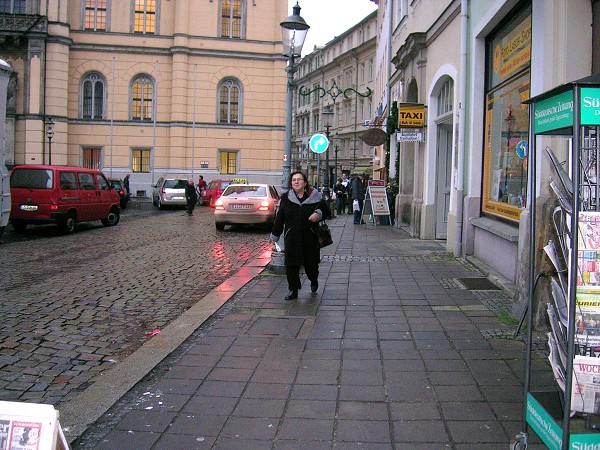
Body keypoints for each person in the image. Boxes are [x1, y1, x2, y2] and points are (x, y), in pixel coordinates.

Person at [270, 171, 330, 301]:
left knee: (311, 265)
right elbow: (280, 219)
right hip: (292, 237)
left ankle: (313, 279)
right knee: (291, 265)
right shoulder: (286, 198)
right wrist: (275, 236)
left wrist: (317, 214)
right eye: (293, 180)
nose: (296, 182)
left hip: (310, 237)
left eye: (299, 179)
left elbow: (326, 211)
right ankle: (293, 289)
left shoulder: (315, 196)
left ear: (305, 182)